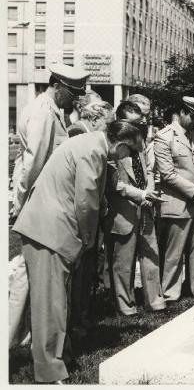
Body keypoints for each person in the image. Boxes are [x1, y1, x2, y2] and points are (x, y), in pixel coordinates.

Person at [12, 121, 143, 383]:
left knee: (57, 301)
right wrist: (88, 240)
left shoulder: (93, 143)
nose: (130, 158)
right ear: (121, 145)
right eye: (132, 152)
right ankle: (49, 372)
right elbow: (86, 202)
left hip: (50, 229)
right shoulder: (94, 150)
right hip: (50, 231)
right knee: (51, 304)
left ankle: (61, 357)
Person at [104, 100, 166, 315]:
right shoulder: (112, 147)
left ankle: (155, 301)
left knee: (151, 255)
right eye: (133, 123)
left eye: (140, 123)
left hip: (146, 206)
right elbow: (114, 184)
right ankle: (125, 305)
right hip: (123, 211)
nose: (138, 127)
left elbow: (149, 171)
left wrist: (149, 193)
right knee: (123, 262)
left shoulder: (140, 143)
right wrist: (140, 195)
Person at [154, 96, 194, 302]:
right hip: (178, 203)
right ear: (182, 113)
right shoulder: (164, 137)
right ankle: (170, 292)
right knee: (174, 253)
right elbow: (168, 174)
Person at [11, 63, 89, 220]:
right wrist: (20, 202)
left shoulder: (50, 109)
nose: (75, 99)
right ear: (57, 86)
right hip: (39, 198)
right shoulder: (43, 112)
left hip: (45, 196)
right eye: (72, 93)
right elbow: (33, 161)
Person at [66, 98, 114, 341]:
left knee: (87, 271)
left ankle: (83, 317)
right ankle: (79, 321)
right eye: (108, 125)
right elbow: (84, 186)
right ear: (95, 119)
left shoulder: (91, 138)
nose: (110, 132)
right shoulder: (78, 134)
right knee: (80, 272)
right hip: (77, 216)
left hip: (91, 210)